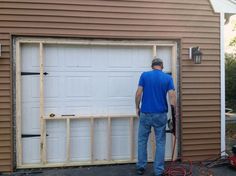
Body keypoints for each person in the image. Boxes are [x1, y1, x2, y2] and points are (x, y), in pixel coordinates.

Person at [135, 58, 176, 176]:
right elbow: (172, 96)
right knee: (160, 142)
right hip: (160, 115)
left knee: (142, 141)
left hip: (145, 113)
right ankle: (158, 171)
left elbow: (138, 93)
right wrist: (174, 115)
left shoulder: (144, 75)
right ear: (162, 66)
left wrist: (137, 107)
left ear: (152, 66)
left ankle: (141, 167)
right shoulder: (167, 78)